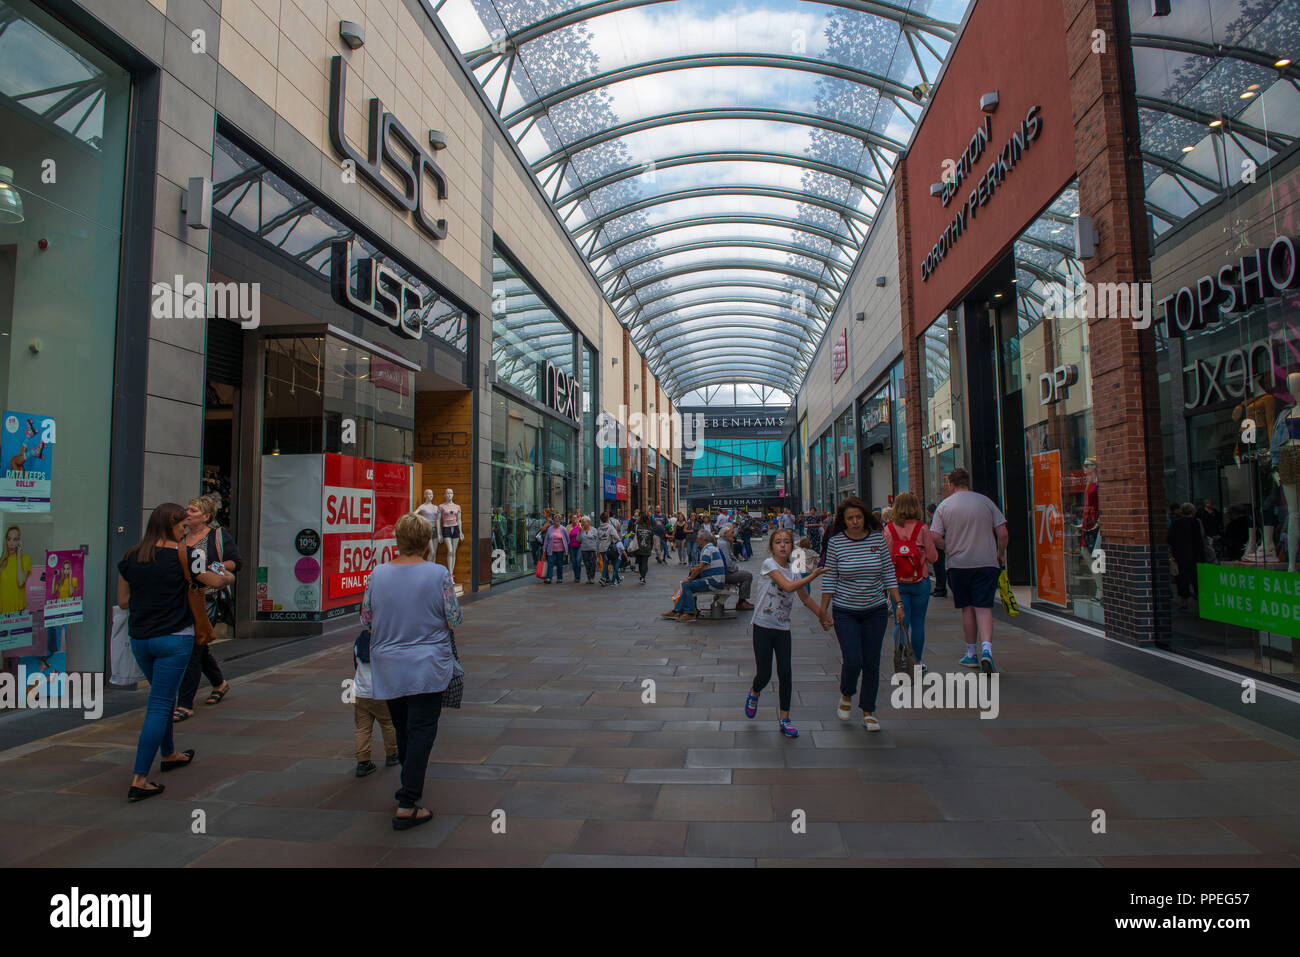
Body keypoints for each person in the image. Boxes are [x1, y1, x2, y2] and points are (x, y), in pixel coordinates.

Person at [117, 503, 235, 802]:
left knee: (163, 696)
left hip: (140, 638)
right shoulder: (187, 554)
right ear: (171, 525)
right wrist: (227, 578)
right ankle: (140, 779)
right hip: (174, 638)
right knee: (159, 704)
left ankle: (169, 754)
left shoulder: (131, 556)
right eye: (183, 526)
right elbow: (212, 580)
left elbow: (123, 601)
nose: (186, 530)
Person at [361, 513, 462, 830]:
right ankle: (408, 800)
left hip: (389, 665)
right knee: (421, 730)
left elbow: (366, 620)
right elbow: (454, 618)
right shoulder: (439, 574)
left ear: (398, 540)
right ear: (427, 542)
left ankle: (408, 781)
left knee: (403, 727)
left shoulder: (377, 574)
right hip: (428, 664)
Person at [818, 497, 903, 731]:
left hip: (875, 609)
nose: (855, 522)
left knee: (872, 662)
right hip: (846, 611)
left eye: (858, 517)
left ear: (865, 517)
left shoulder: (877, 539)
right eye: (850, 518)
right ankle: (847, 693)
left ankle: (868, 710)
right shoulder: (836, 543)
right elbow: (830, 579)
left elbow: (887, 571)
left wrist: (898, 602)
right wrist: (822, 611)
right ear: (843, 521)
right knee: (853, 659)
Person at [745, 527, 830, 738]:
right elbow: (788, 587)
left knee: (785, 673)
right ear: (771, 547)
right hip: (763, 627)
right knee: (764, 675)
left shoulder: (793, 569)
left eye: (786, 542)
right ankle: (755, 691)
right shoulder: (769, 565)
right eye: (778, 542)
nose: (782, 545)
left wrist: (822, 615)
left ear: (792, 547)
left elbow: (805, 598)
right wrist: (813, 576)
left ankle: (785, 718)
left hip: (783, 629)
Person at [929, 468, 1008, 674]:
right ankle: (987, 651)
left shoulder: (944, 506)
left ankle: (971, 654)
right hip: (986, 562)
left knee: (967, 608)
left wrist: (949, 548)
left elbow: (935, 536)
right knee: (984, 607)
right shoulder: (985, 502)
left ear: (951, 485)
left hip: (958, 564)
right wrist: (999, 553)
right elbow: (1003, 532)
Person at [174, 497, 239, 722]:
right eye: (188, 508)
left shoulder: (217, 536)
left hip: (208, 597)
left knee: (195, 646)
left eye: (193, 510)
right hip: (183, 598)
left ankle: (184, 702)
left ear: (206, 517)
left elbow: (235, 562)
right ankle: (219, 683)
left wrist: (214, 569)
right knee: (198, 645)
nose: (188, 512)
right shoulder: (180, 536)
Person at [884, 492, 939, 671]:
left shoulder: (889, 529)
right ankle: (916, 662)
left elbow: (884, 558)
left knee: (901, 623)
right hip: (920, 581)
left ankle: (900, 660)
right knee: (918, 622)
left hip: (897, 584)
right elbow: (933, 557)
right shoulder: (922, 529)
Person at [351, 628, 398, 777]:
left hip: (360, 691)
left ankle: (363, 762)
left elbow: (355, 664)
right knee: (388, 723)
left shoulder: (359, 640)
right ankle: (392, 754)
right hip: (380, 691)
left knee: (362, 728)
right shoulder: (384, 640)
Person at [664, 529, 727, 621]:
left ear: (702, 539)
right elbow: (703, 566)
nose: (696, 540)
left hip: (714, 582)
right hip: (716, 580)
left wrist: (689, 579)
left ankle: (689, 612)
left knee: (687, 585)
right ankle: (677, 610)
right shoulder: (711, 548)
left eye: (697, 538)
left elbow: (700, 567)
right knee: (687, 585)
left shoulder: (707, 549)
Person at [1167, 502, 1206, 610]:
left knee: (1182, 578)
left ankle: (1184, 601)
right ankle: (1201, 599)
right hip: (1194, 554)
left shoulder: (1176, 523)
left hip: (1180, 554)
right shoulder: (1196, 523)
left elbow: (1170, 539)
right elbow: (1199, 540)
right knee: (1196, 577)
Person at [718, 525, 755, 611]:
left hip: (722, 573)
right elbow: (728, 564)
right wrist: (736, 569)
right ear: (725, 534)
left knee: (744, 574)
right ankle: (741, 602)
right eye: (731, 532)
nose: (734, 534)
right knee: (747, 576)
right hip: (724, 574)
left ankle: (742, 601)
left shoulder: (724, 542)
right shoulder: (723, 544)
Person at [0, 525, 31, 614]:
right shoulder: (1, 560)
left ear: (19, 541)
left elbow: (21, 582)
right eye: (9, 539)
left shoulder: (25, 559)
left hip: (17, 610)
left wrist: (18, 555)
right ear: (5, 541)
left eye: (15, 539)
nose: (11, 543)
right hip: (2, 609)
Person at [927, 502, 948, 598]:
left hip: (938, 547)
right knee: (938, 568)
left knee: (939, 568)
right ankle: (939, 587)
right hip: (937, 547)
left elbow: (936, 534)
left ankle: (941, 588)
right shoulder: (934, 520)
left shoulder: (936, 520)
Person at [597, 512, 622, 586]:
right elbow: (616, 536)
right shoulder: (610, 527)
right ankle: (603, 578)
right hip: (609, 549)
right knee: (606, 563)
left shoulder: (599, 528)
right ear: (607, 519)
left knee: (606, 562)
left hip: (601, 548)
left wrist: (597, 549)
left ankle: (611, 578)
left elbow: (597, 540)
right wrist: (618, 540)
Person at [630, 510, 655, 584]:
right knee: (644, 563)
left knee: (640, 563)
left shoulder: (637, 527)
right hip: (647, 548)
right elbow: (651, 540)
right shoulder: (650, 528)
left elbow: (632, 535)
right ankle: (643, 577)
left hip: (638, 547)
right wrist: (651, 548)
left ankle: (642, 576)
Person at [543, 514, 568, 583]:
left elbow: (567, 539)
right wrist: (544, 550)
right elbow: (546, 540)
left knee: (559, 564)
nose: (556, 523)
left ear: (560, 521)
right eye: (555, 521)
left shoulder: (563, 529)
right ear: (553, 521)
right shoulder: (550, 529)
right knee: (550, 563)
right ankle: (549, 578)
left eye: (558, 521)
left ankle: (559, 578)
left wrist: (566, 549)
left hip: (560, 550)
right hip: (551, 550)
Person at [578, 516, 599, 583]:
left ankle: (592, 577)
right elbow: (578, 540)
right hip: (584, 550)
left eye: (584, 522)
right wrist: (579, 532)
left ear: (588, 522)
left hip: (592, 549)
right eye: (582, 522)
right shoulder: (581, 530)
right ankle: (589, 578)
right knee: (587, 565)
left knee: (593, 564)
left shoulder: (594, 530)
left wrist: (597, 549)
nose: (583, 523)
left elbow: (597, 540)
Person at [568, 512, 583, 584]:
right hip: (571, 546)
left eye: (575, 518)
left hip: (579, 546)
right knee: (573, 561)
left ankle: (578, 577)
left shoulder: (580, 526)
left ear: (578, 519)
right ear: (570, 519)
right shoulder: (568, 527)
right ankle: (576, 576)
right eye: (573, 518)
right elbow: (566, 537)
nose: (574, 519)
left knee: (578, 560)